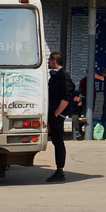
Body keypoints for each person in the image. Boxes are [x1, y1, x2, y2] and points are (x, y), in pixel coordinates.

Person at [45, 52, 72, 182]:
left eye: (49, 60)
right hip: (52, 114)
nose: (48, 63)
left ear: (54, 61)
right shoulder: (54, 77)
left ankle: (60, 170)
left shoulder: (63, 76)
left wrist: (57, 114)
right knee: (56, 141)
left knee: (58, 142)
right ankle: (58, 170)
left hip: (57, 115)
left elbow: (66, 97)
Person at [71, 76, 88, 140]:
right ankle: (77, 131)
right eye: (79, 98)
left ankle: (79, 128)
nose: (80, 99)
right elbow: (72, 110)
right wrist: (78, 106)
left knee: (83, 119)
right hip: (73, 113)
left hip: (78, 113)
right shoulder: (71, 102)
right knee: (75, 117)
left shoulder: (80, 101)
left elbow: (82, 109)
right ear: (75, 97)